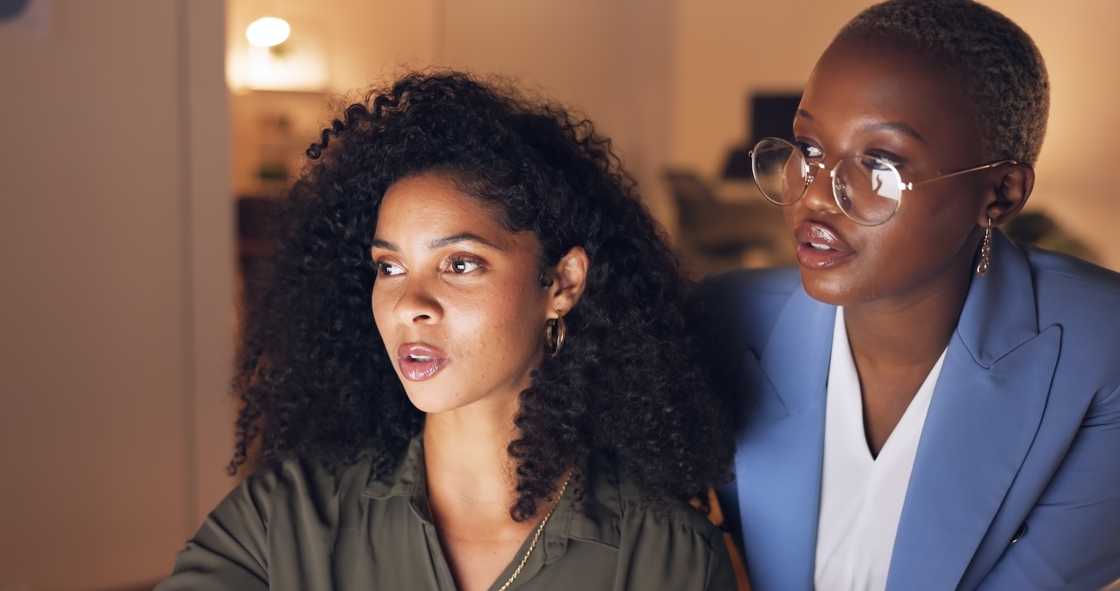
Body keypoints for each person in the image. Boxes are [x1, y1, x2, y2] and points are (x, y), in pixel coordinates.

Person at [158, 72, 736, 590]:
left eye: (460, 264)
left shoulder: (665, 559)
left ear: (561, 282)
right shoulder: (284, 519)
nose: (411, 303)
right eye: (390, 267)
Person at [692, 1, 1120, 589]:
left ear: (1000, 194)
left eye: (880, 164)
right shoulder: (722, 321)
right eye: (810, 150)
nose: (816, 197)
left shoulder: (1102, 351)